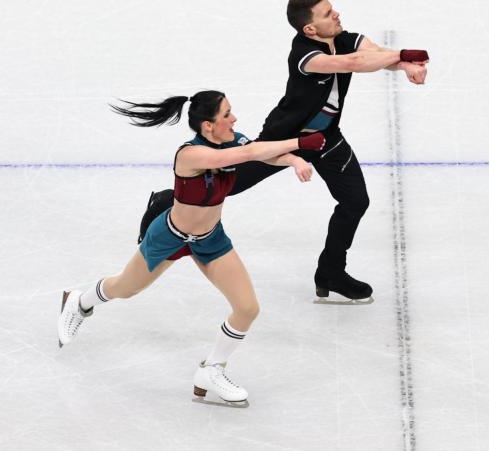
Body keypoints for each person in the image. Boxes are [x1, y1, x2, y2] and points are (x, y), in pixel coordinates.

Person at [56, 90, 324, 407]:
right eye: (227, 114)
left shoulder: (232, 140)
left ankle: (211, 370)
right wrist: (298, 143)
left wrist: (293, 159)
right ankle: (79, 301)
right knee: (124, 288)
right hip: (169, 236)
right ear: (208, 126)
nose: (234, 118)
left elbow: (257, 152)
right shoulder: (190, 154)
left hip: (210, 239)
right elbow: (238, 156)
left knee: (248, 308)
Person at [228, 0, 429, 303]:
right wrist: (405, 54)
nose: (336, 14)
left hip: (326, 139)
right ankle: (164, 203)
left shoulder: (344, 37)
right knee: (227, 186)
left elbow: (374, 53)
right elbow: (354, 63)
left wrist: (405, 66)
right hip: (287, 139)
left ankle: (331, 272)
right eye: (327, 13)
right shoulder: (306, 55)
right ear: (310, 29)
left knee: (355, 201)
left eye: (332, 9)